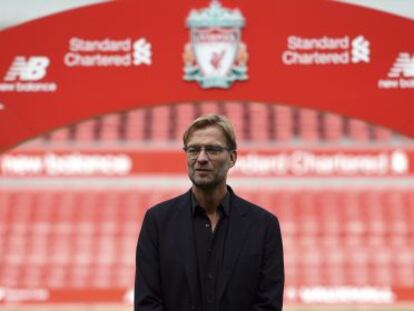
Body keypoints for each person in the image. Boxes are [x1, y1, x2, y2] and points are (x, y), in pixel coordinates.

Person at [134, 114, 284, 311]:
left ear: (232, 158)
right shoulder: (157, 221)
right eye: (194, 150)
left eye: (212, 150)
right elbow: (146, 303)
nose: (202, 158)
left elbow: (269, 305)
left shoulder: (264, 225)